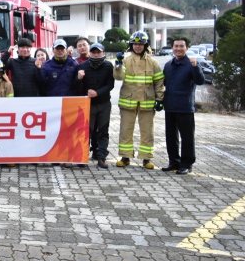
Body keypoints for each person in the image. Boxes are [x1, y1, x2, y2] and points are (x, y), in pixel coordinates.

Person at [114, 31, 164, 169]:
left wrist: (160, 99)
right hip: (128, 102)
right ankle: (125, 157)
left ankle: (146, 158)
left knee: (148, 131)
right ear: (131, 45)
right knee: (126, 130)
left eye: (140, 44)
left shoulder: (153, 63)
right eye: (135, 44)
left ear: (145, 45)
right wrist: (117, 64)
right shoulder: (125, 61)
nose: (137, 47)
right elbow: (118, 77)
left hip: (147, 102)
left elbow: (159, 82)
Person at [161, 38, 205, 175]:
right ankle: (174, 161)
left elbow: (200, 80)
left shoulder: (191, 64)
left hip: (185, 107)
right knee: (171, 136)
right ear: (172, 48)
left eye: (181, 46)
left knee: (187, 137)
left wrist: (195, 67)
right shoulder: (168, 65)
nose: (178, 48)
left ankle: (186, 164)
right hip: (170, 106)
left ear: (186, 48)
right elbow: (163, 83)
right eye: (176, 46)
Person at [37, 39, 79, 167]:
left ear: (66, 50)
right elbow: (41, 82)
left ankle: (69, 157)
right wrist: (38, 69)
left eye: (62, 49)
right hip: (53, 104)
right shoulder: (47, 65)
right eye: (57, 49)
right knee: (54, 131)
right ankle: (55, 156)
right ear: (53, 50)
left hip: (69, 103)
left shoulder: (74, 64)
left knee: (69, 131)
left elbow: (78, 84)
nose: (60, 51)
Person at [73, 43, 115, 168]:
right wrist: (79, 78)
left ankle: (101, 157)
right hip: (88, 104)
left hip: (104, 103)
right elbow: (75, 87)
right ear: (90, 53)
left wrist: (97, 93)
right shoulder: (83, 66)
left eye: (98, 52)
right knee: (87, 131)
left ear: (103, 53)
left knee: (103, 131)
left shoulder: (108, 66)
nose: (96, 54)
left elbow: (110, 85)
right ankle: (83, 157)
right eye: (93, 52)